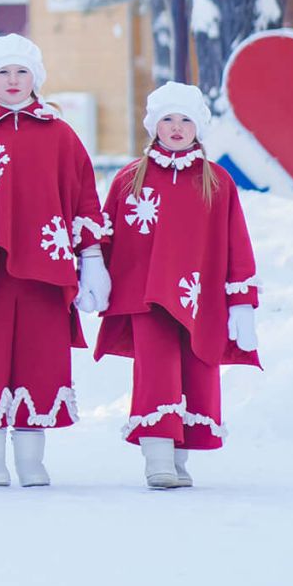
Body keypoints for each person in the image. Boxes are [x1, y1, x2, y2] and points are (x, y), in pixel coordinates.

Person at [0, 33, 108, 488]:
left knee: (40, 358)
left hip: (46, 269)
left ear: (35, 79)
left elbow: (83, 196)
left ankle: (32, 455)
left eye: (22, 72)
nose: (13, 81)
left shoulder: (59, 135)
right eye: (3, 72)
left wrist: (91, 255)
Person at [94, 80, 260, 489]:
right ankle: (158, 459)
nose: (176, 127)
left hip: (198, 298)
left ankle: (180, 456)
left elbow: (236, 242)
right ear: (153, 125)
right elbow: (106, 234)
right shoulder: (129, 180)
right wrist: (94, 271)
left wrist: (241, 301)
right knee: (156, 373)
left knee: (196, 373)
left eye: (185, 119)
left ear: (198, 127)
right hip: (144, 298)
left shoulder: (217, 182)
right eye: (167, 118)